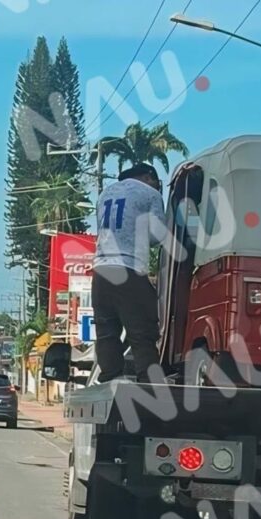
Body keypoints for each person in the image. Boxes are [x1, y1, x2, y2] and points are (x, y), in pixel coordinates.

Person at [92, 163, 168, 382]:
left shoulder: (105, 194)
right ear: (148, 177)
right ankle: (149, 380)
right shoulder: (150, 194)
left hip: (101, 270)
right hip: (129, 269)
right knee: (142, 330)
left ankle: (109, 377)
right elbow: (158, 236)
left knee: (106, 332)